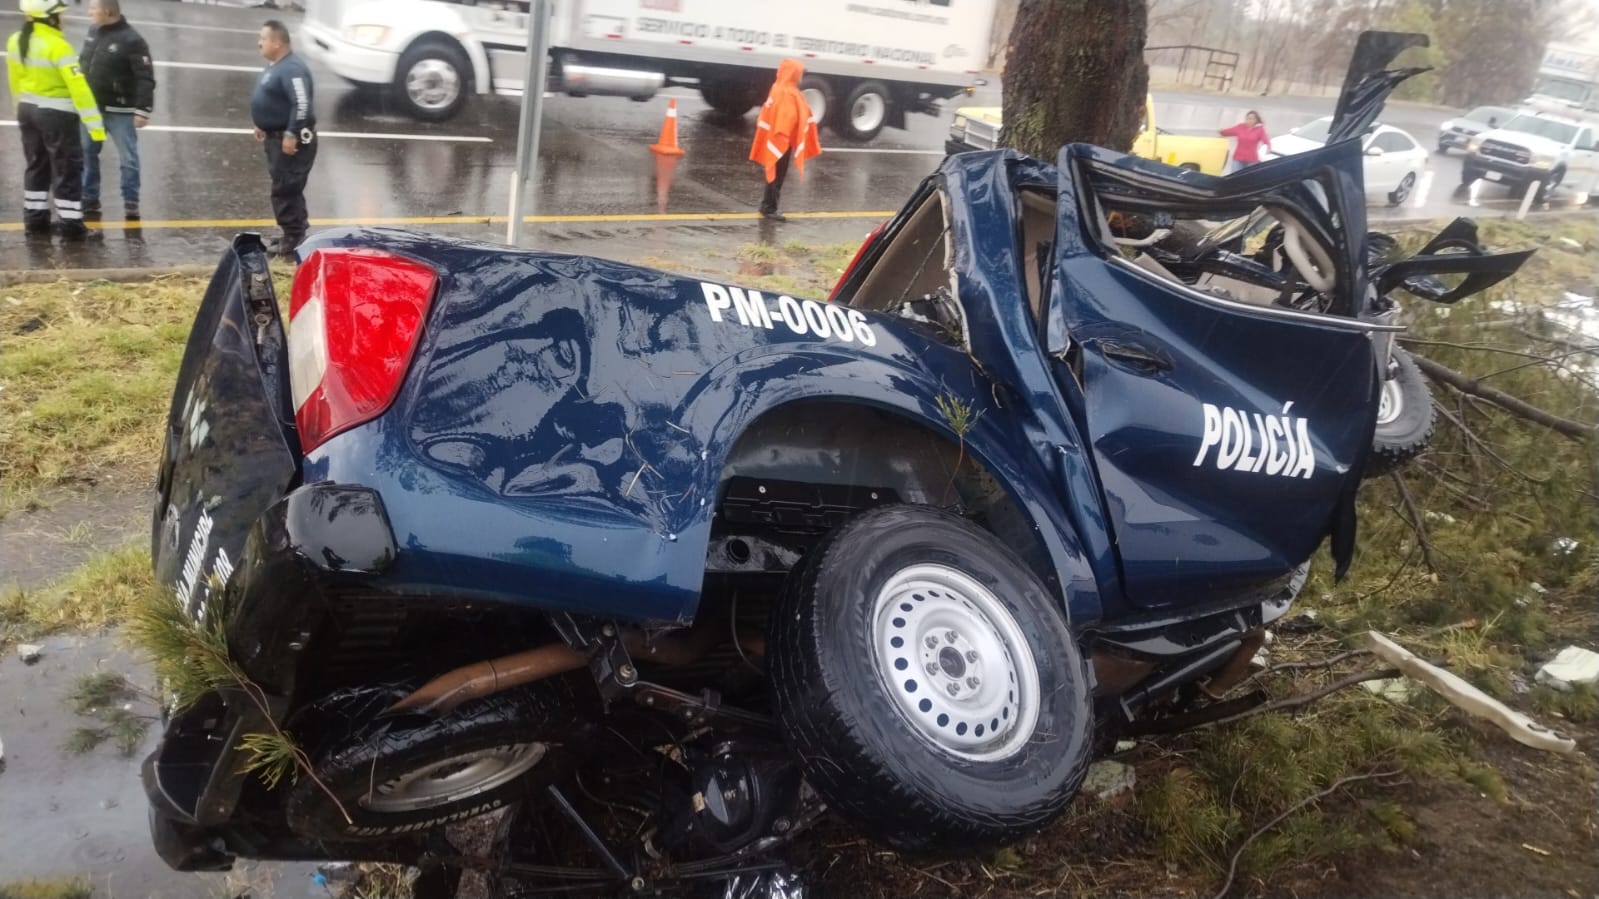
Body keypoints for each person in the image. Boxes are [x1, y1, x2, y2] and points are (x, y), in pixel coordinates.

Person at [7, 0, 106, 240]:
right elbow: (79, 89)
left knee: (36, 165)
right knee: (66, 168)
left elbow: (15, 80)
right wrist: (96, 127)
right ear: (50, 18)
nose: (65, 18)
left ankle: (35, 220)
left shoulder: (16, 40)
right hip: (56, 114)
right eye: (61, 14)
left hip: (27, 110)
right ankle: (72, 226)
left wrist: (19, 109)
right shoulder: (58, 46)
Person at [80, 0, 155, 220]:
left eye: (93, 8)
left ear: (108, 11)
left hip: (120, 111)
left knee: (128, 158)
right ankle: (89, 199)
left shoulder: (132, 40)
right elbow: (84, 62)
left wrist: (143, 109)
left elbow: (145, 77)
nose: (89, 12)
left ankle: (131, 202)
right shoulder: (93, 31)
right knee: (87, 154)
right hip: (92, 108)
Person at [251, 19, 316, 259]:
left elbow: (301, 104)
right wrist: (262, 123)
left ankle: (295, 237)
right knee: (284, 186)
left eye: (264, 38)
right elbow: (273, 99)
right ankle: (292, 233)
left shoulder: (292, 69)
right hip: (274, 137)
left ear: (277, 42)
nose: (259, 43)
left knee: (286, 188)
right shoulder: (276, 65)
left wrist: (292, 133)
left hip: (291, 141)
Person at [749, 59, 821, 222]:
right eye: (800, 73)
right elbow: (787, 117)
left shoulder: (778, 87)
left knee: (774, 172)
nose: (802, 76)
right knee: (777, 174)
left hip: (774, 138)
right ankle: (769, 208)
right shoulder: (788, 93)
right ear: (793, 73)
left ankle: (767, 205)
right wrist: (787, 135)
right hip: (780, 140)